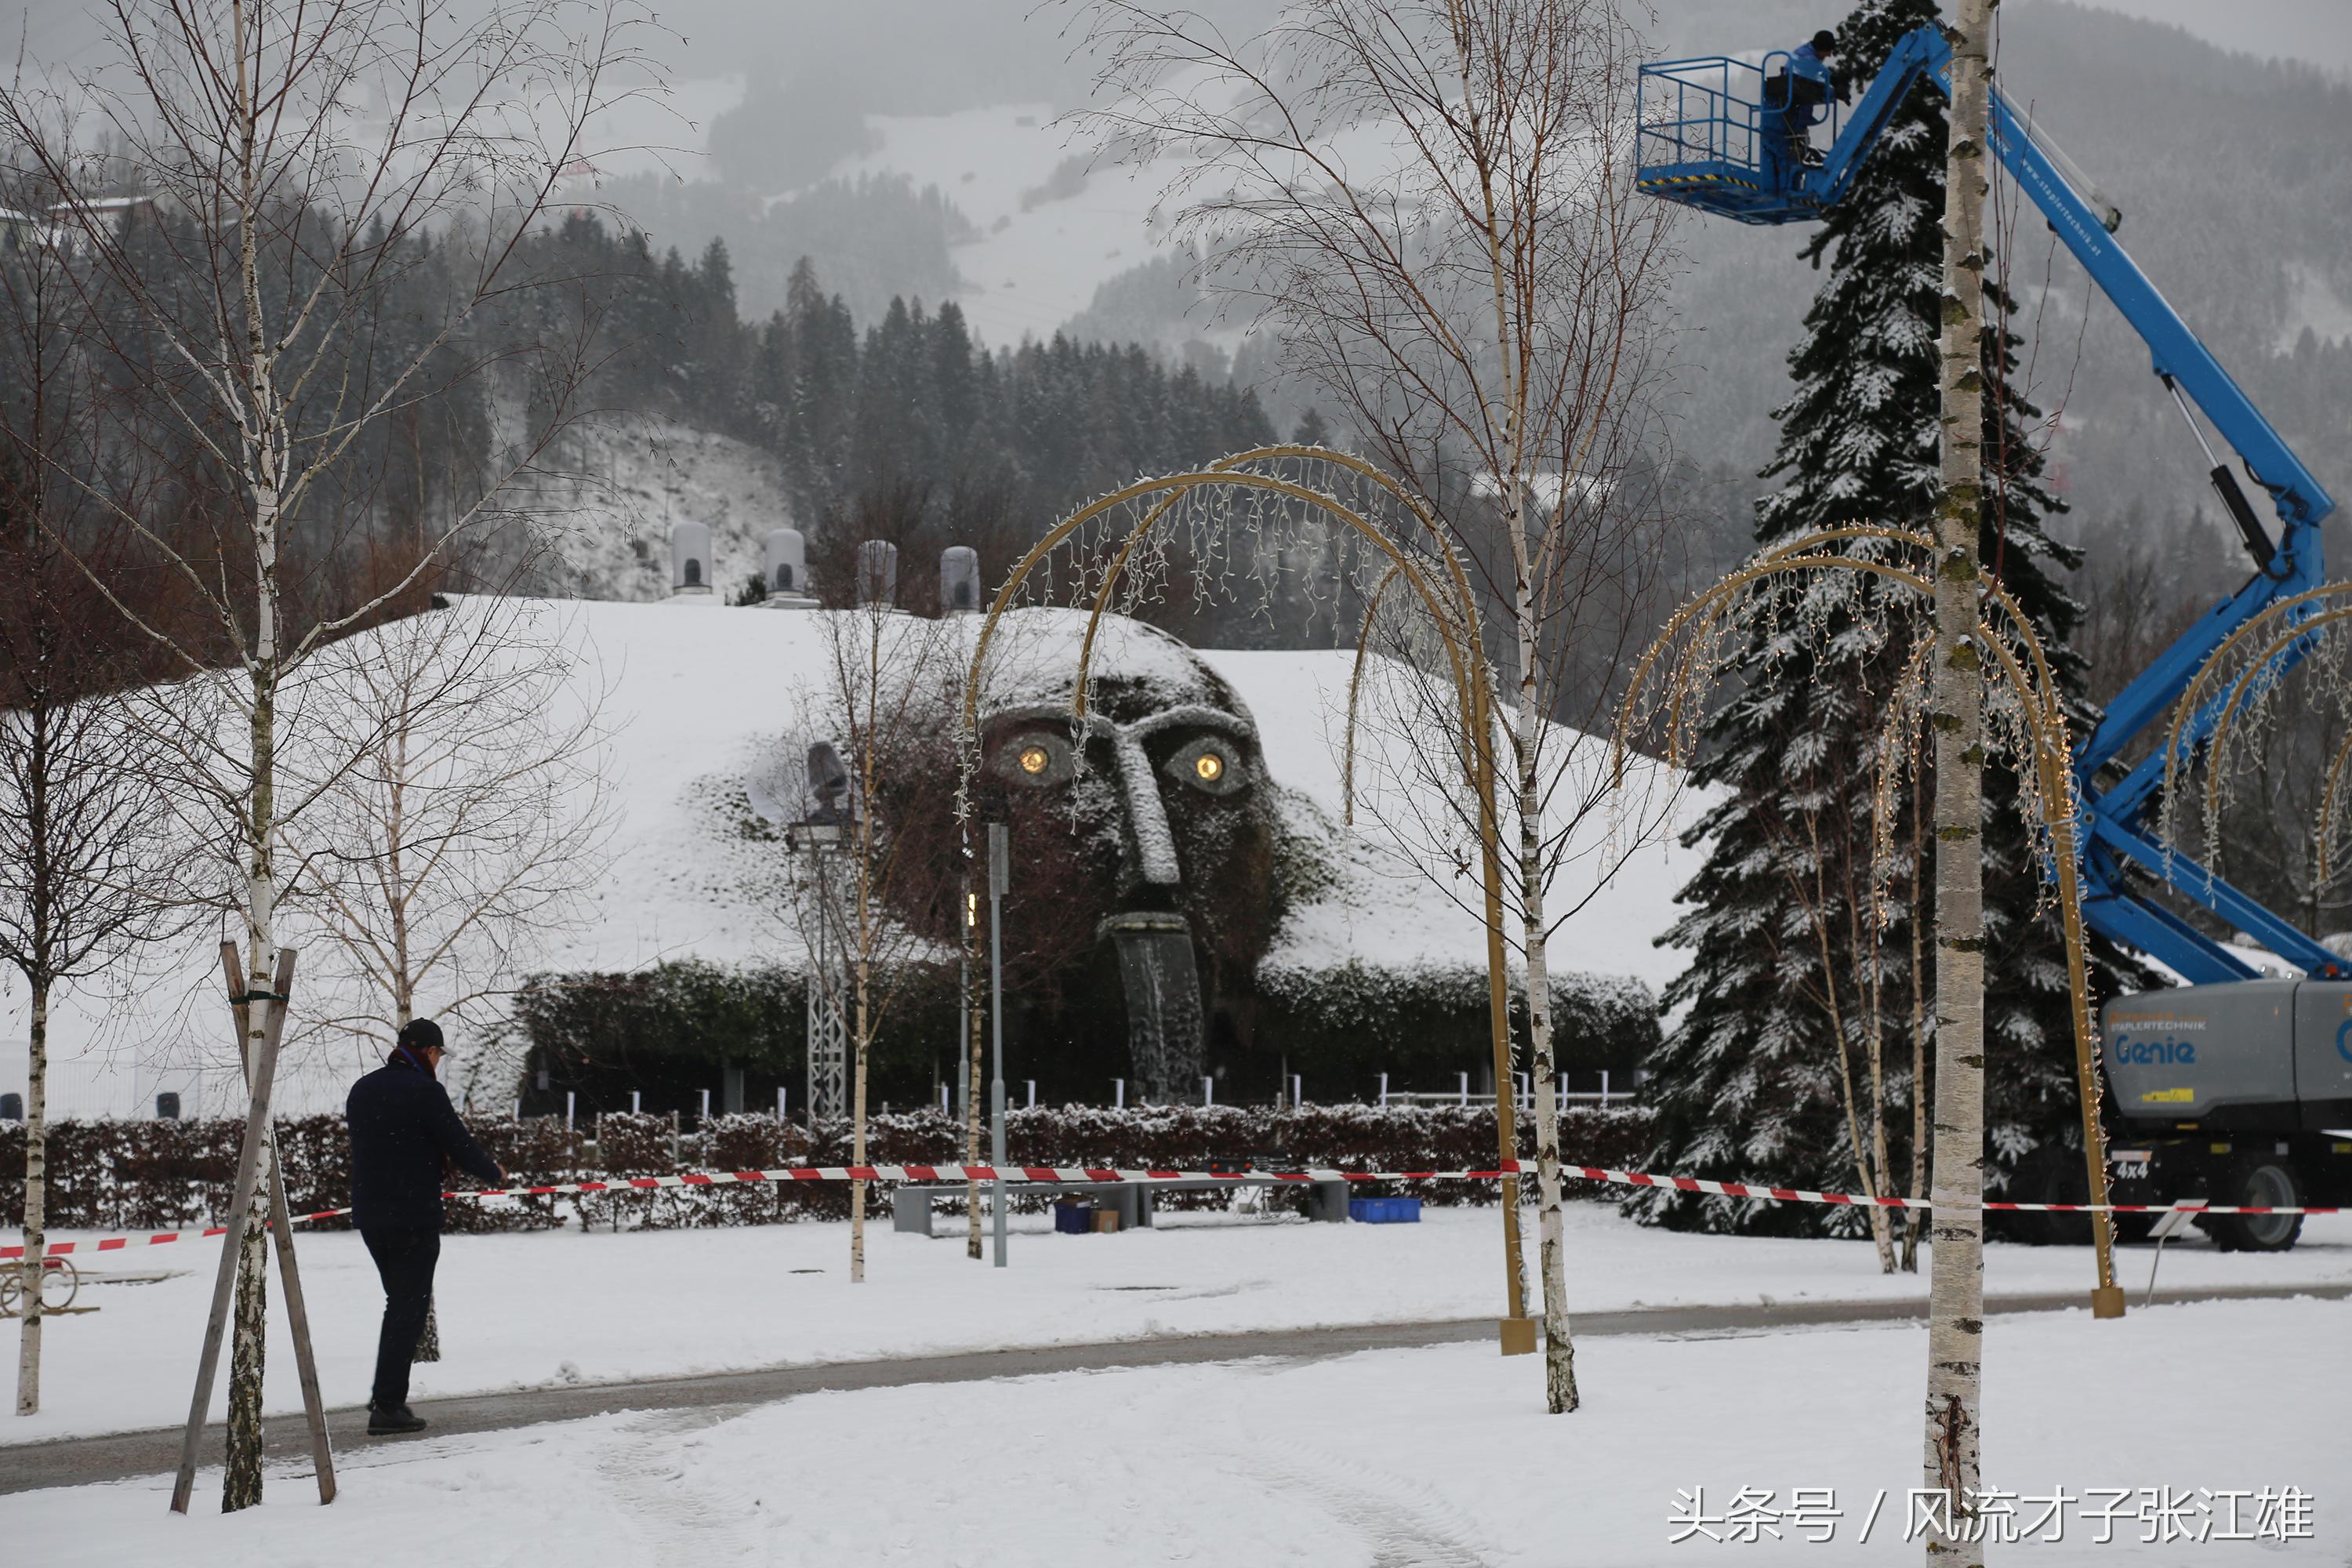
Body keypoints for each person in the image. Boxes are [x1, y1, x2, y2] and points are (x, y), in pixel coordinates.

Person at [345, 1017, 505, 1436]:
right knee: (408, 1308)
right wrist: (494, 1173)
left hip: (371, 1216)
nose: (437, 1061)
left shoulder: (363, 1088)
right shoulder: (425, 1090)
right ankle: (387, 1405)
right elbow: (458, 1143)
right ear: (430, 1052)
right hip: (412, 1215)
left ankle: (385, 1395)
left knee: (398, 1303)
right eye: (438, 1054)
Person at [1766, 29, 1850, 178]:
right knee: (1793, 140)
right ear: (1822, 47)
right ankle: (1796, 151)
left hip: (1796, 115)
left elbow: (1817, 78)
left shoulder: (1806, 57)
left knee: (1796, 139)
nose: (1830, 55)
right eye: (1828, 51)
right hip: (1794, 113)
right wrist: (1836, 90)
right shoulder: (1805, 59)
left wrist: (1836, 87)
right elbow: (1816, 82)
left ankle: (1798, 150)